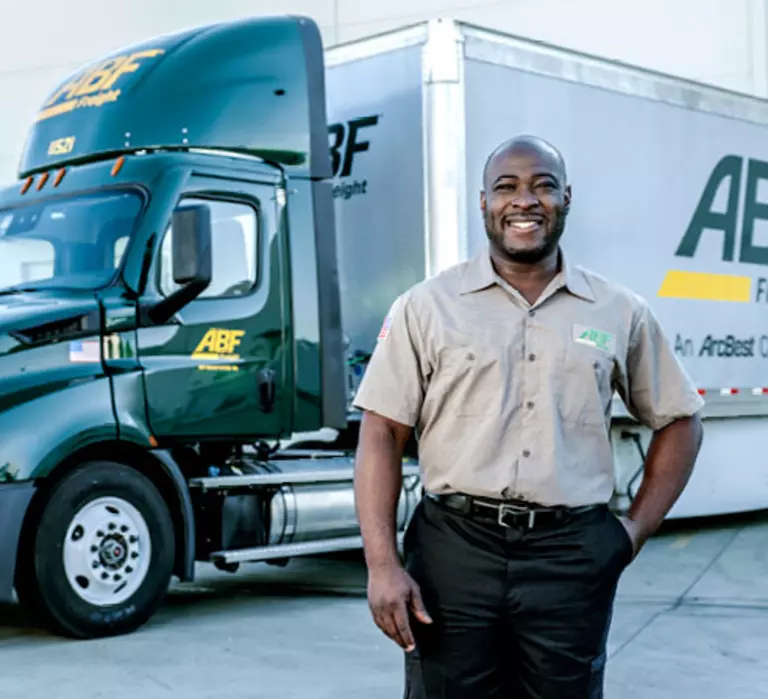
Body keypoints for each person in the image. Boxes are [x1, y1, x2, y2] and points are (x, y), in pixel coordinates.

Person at [352, 134, 705, 697]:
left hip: (571, 555)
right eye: (506, 187)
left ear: (566, 198)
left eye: (543, 185)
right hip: (452, 552)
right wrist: (381, 564)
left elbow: (681, 420)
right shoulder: (426, 306)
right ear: (484, 202)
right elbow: (381, 433)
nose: (524, 200)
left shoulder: (618, 311)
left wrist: (631, 533)